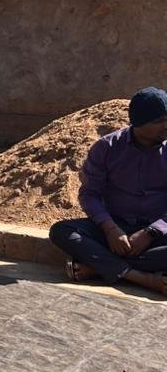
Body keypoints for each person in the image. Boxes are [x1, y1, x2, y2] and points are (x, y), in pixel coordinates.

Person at [49, 88, 167, 296]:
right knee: (61, 231)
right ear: (138, 122)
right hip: (115, 229)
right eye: (160, 121)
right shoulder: (107, 148)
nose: (166, 125)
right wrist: (111, 230)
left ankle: (96, 268)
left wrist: (151, 232)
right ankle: (142, 278)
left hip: (158, 232)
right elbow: (89, 194)